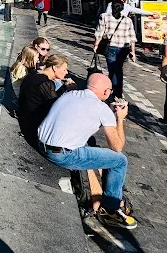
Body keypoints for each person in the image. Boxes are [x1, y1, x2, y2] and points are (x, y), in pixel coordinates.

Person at [38, 73, 136, 229]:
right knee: (120, 161)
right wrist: (120, 118)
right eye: (109, 91)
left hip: (42, 143)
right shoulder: (101, 109)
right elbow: (117, 147)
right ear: (106, 92)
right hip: (62, 154)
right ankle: (111, 208)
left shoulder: (71, 94)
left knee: (89, 143)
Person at [17, 54, 72, 143]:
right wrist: (67, 88)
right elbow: (56, 105)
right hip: (33, 121)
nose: (66, 72)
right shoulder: (45, 83)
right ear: (54, 68)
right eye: (64, 69)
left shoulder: (35, 73)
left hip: (25, 113)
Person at [94, 1, 137, 100]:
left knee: (113, 69)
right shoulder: (128, 20)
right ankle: (118, 92)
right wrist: (133, 51)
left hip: (111, 46)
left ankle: (114, 92)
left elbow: (100, 32)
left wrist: (96, 44)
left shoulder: (104, 16)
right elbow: (132, 37)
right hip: (123, 47)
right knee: (118, 70)